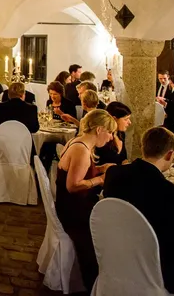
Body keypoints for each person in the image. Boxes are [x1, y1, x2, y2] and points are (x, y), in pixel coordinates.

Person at [104, 127, 174, 294]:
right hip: (159, 269)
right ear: (169, 155)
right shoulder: (172, 193)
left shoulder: (114, 174)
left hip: (118, 255)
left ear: (143, 146)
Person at [55, 109, 117, 289]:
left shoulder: (78, 142)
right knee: (110, 225)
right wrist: (100, 179)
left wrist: (100, 168)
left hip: (70, 205)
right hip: (74, 212)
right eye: (110, 132)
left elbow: (80, 172)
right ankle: (96, 282)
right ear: (99, 130)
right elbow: (73, 186)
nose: (111, 137)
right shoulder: (81, 150)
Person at [96, 101, 131, 165]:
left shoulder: (121, 134)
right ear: (114, 119)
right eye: (126, 119)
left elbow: (123, 159)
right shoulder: (102, 137)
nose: (129, 122)